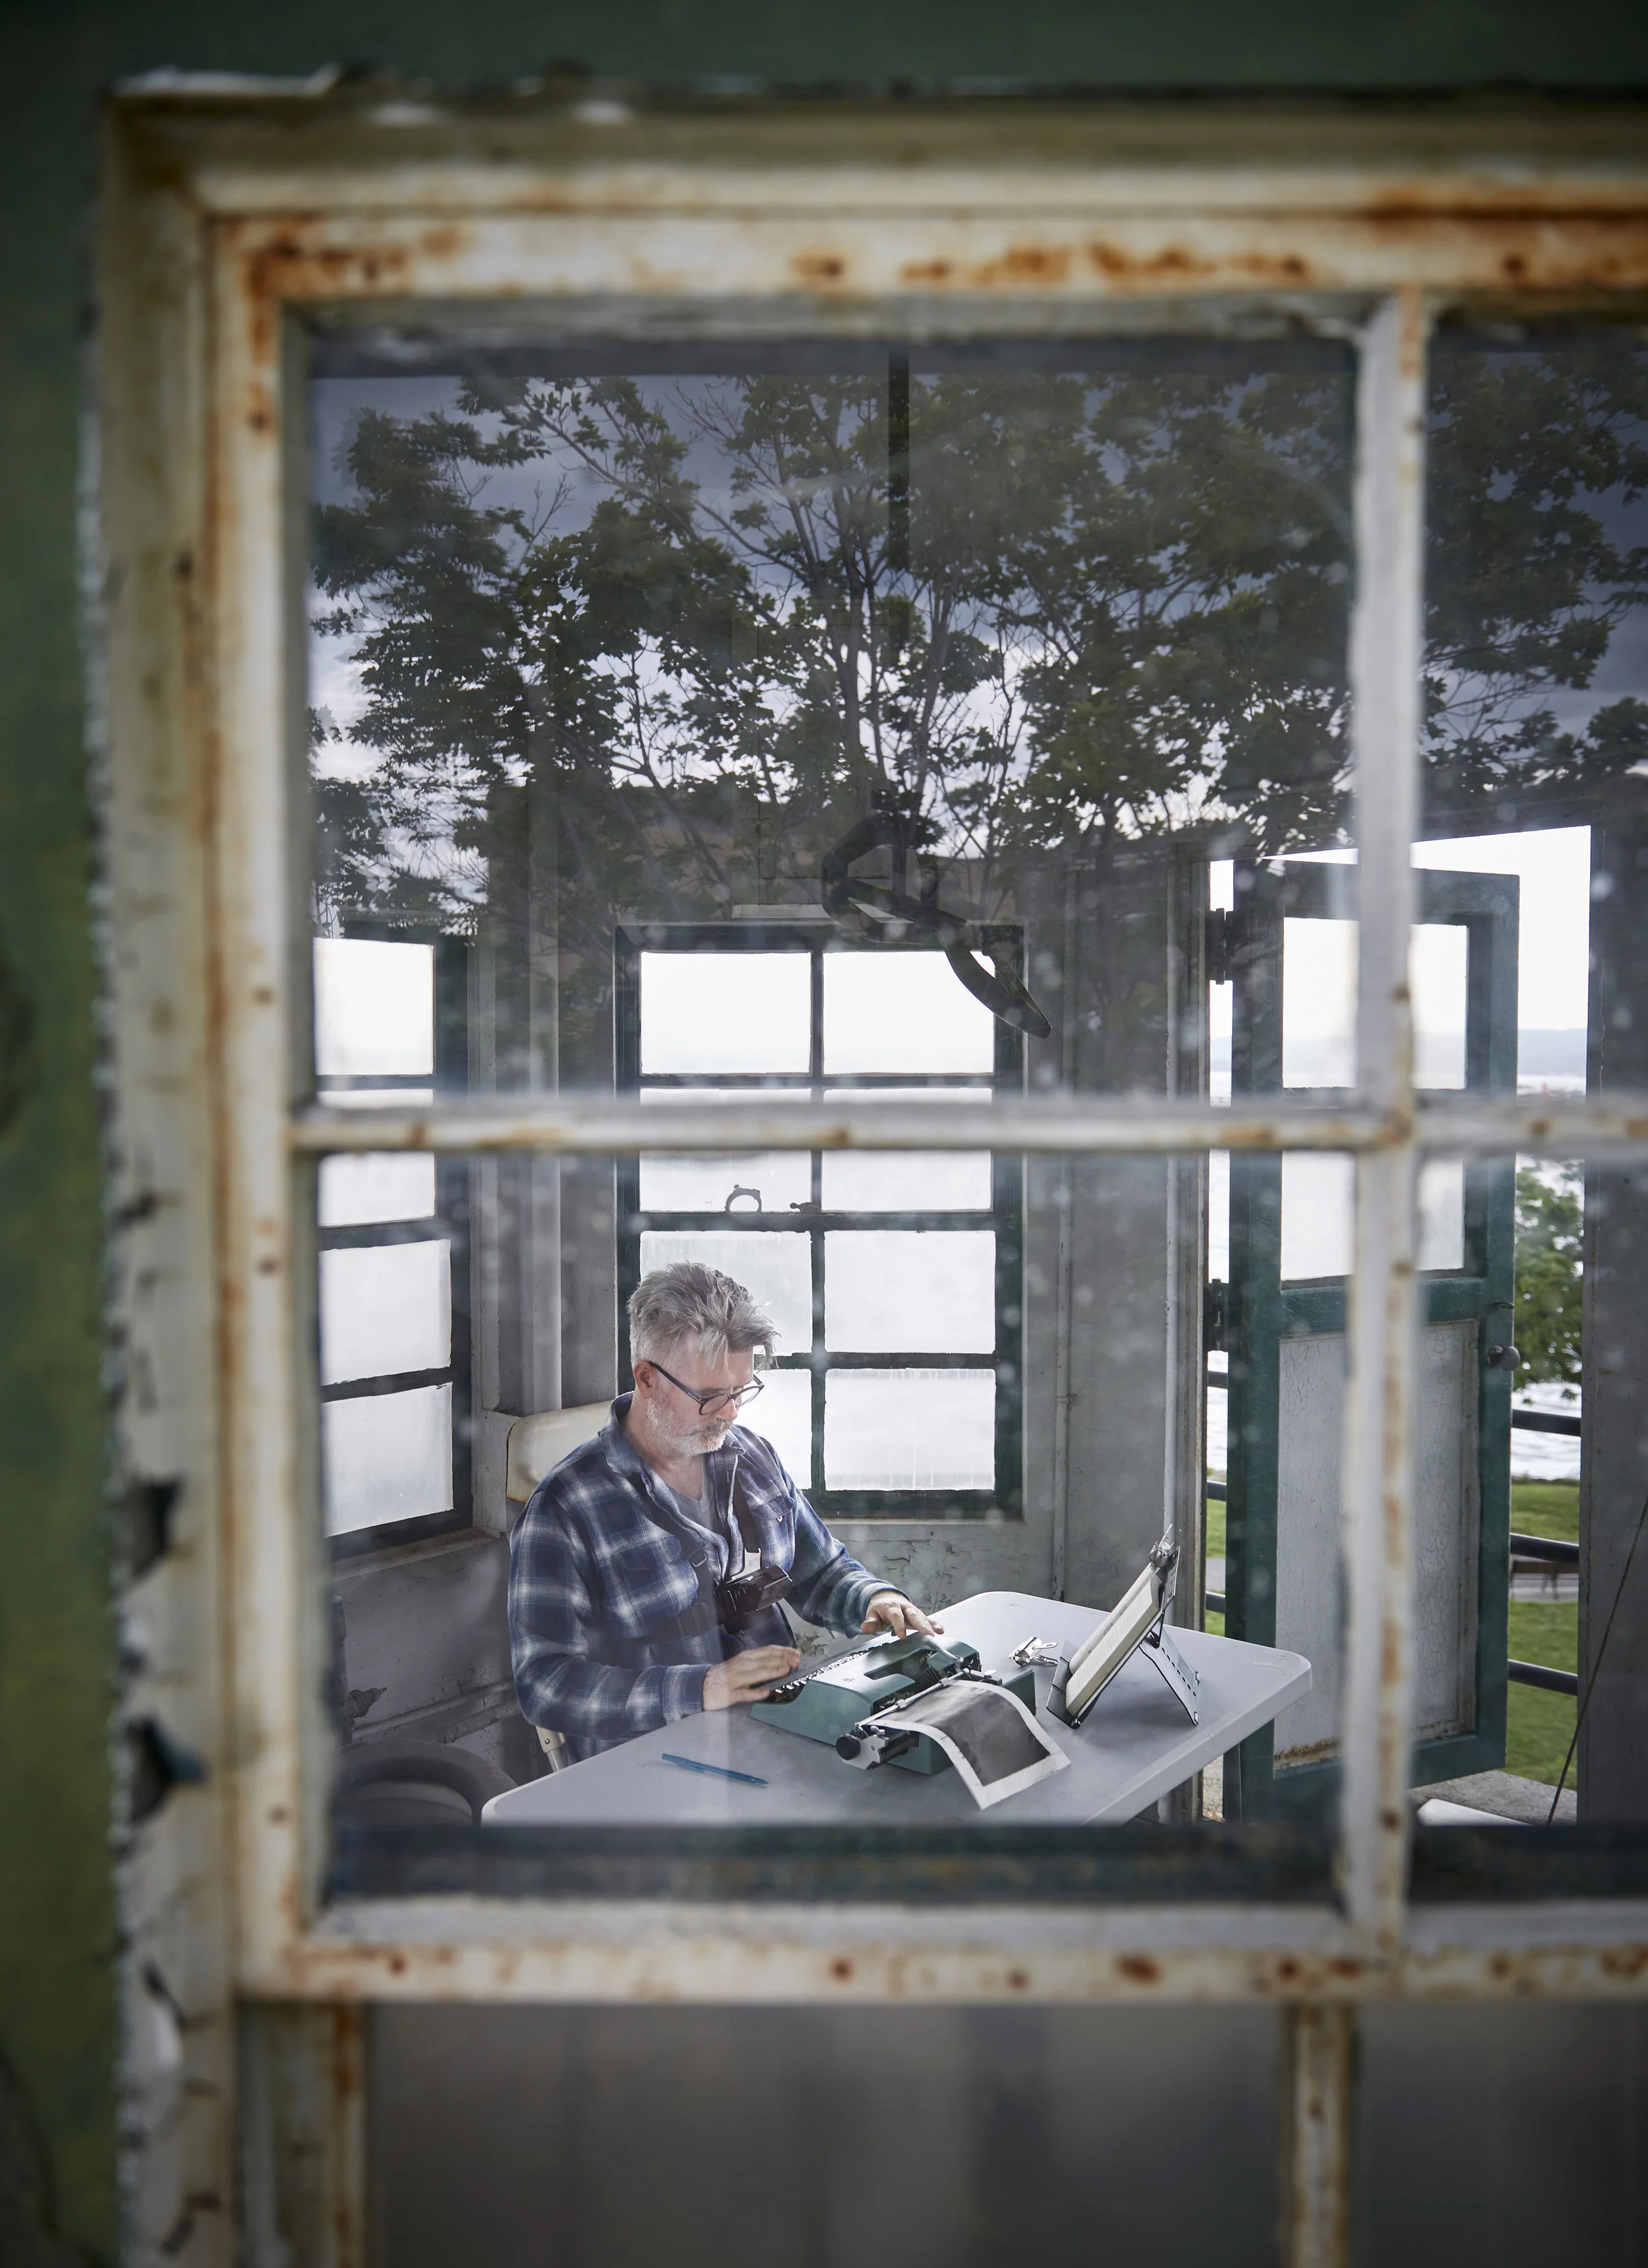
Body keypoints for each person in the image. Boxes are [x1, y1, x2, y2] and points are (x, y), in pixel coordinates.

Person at [508, 1261, 941, 1760]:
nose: (731, 1413)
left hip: (778, 1733)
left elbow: (823, 1571)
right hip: (648, 1765)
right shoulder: (563, 1510)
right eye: (711, 1396)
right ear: (646, 1378)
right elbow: (545, 1684)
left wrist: (873, 1598)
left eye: (741, 1391)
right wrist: (699, 1689)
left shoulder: (753, 1455)